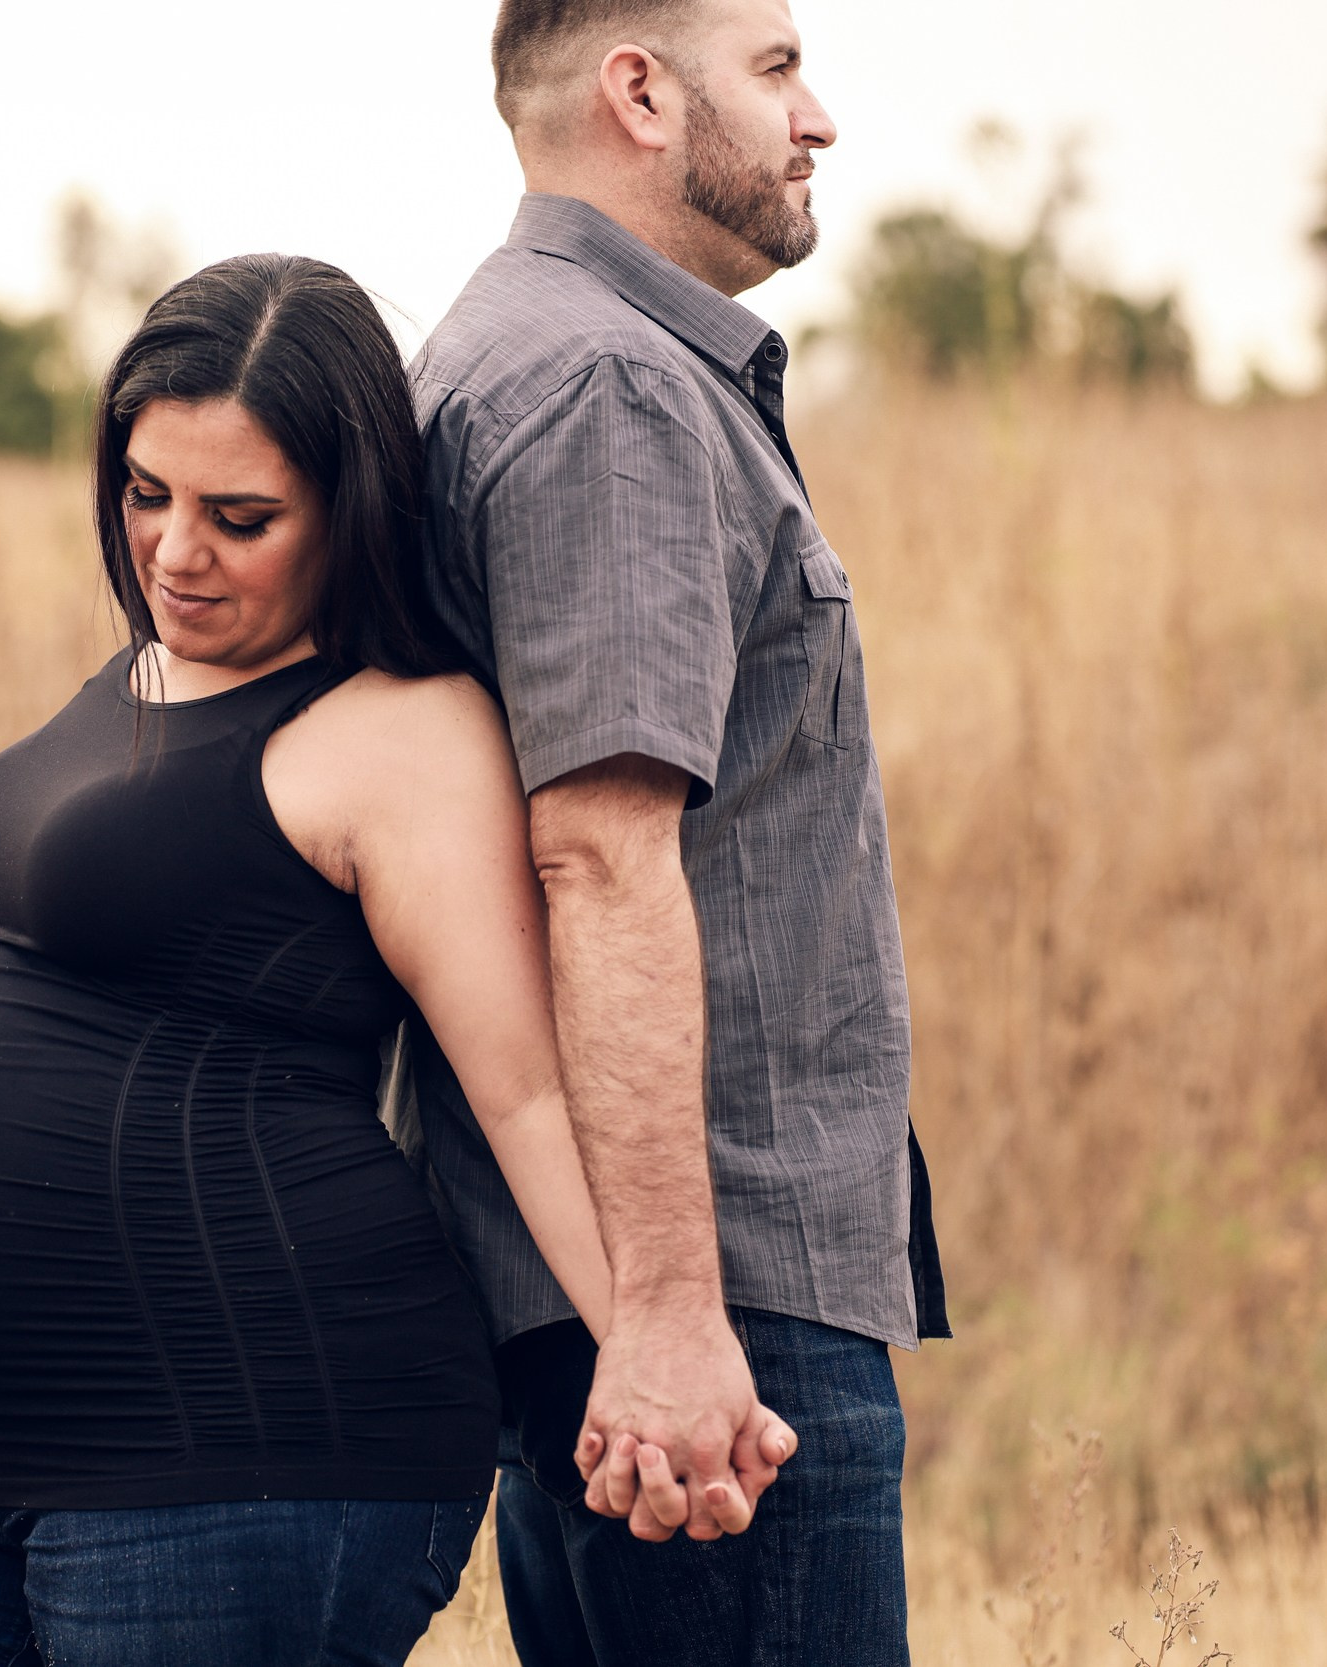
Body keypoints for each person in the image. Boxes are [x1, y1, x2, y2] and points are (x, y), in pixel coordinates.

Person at [0, 253, 791, 1667]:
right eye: (147, 495)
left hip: (242, 1441)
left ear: (347, 513)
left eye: (240, 518)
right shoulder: (151, 667)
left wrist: (658, 1354)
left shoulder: (401, 736)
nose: (176, 554)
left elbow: (528, 1092)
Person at [406, 1, 953, 1662]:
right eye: (776, 69)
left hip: (641, 1304)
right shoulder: (608, 386)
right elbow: (598, 856)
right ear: (639, 93)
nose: (818, 119)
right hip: (705, 1315)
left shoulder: (533, 350)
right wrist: (662, 1315)